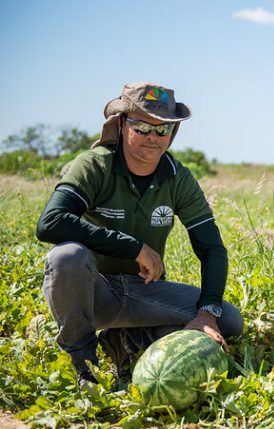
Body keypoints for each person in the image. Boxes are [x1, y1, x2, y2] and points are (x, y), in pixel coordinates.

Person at [36, 82, 243, 386]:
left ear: (173, 134)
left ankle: (126, 342)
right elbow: (51, 222)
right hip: (94, 292)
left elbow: (211, 248)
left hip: (143, 289)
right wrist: (133, 247)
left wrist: (207, 313)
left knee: (229, 319)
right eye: (142, 127)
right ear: (121, 124)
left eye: (163, 130)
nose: (153, 138)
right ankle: (83, 364)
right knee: (66, 257)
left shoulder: (177, 177)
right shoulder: (95, 165)